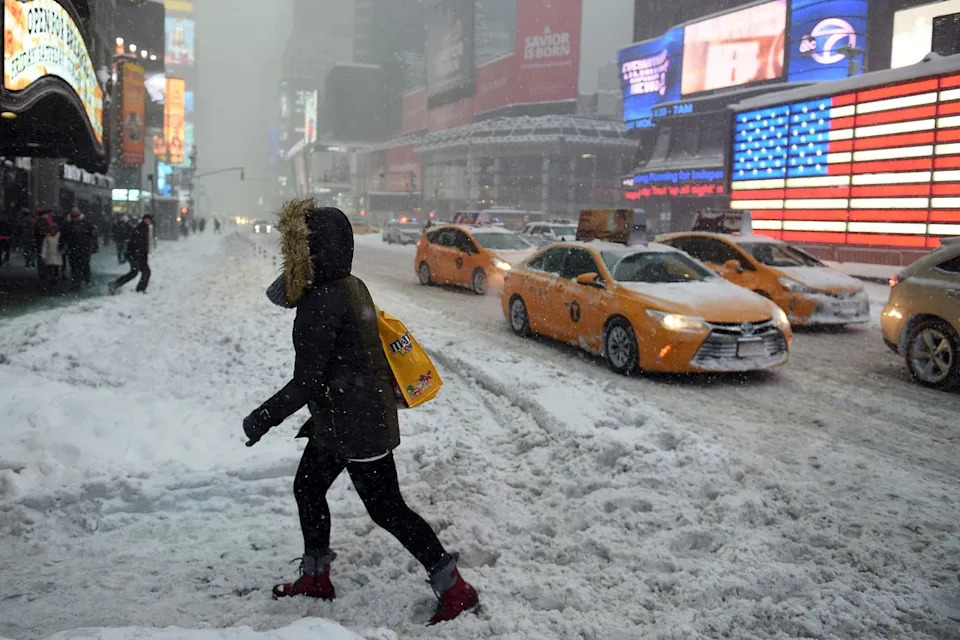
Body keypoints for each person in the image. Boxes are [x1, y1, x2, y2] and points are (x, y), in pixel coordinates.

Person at [242, 200, 478, 625]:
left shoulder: (323, 301)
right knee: (308, 487)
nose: (292, 253)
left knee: (387, 508)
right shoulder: (348, 284)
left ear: (312, 251)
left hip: (357, 424)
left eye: (297, 246)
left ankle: (454, 587)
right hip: (341, 417)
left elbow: (307, 382)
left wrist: (263, 417)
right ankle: (316, 577)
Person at [109, 214, 153, 294]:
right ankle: (116, 284)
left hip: (137, 255)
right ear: (145, 220)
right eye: (149, 220)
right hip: (135, 255)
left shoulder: (143, 228)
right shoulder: (141, 228)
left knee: (142, 272)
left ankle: (139, 288)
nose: (150, 222)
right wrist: (139, 253)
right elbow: (138, 243)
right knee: (136, 272)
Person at [62, 208, 98, 288]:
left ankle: (85, 279)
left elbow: (93, 235)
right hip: (73, 247)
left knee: (84, 264)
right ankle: (77, 281)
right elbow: (64, 236)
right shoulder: (68, 224)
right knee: (74, 265)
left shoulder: (87, 223)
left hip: (84, 247)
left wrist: (94, 245)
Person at [39, 220, 62, 293]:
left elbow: (62, 245)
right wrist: (43, 255)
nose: (53, 230)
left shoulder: (59, 236)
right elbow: (44, 247)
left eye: (54, 228)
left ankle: (55, 281)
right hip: (49, 256)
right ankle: (51, 281)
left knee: (56, 269)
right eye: (52, 228)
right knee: (49, 269)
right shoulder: (47, 237)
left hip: (57, 255)